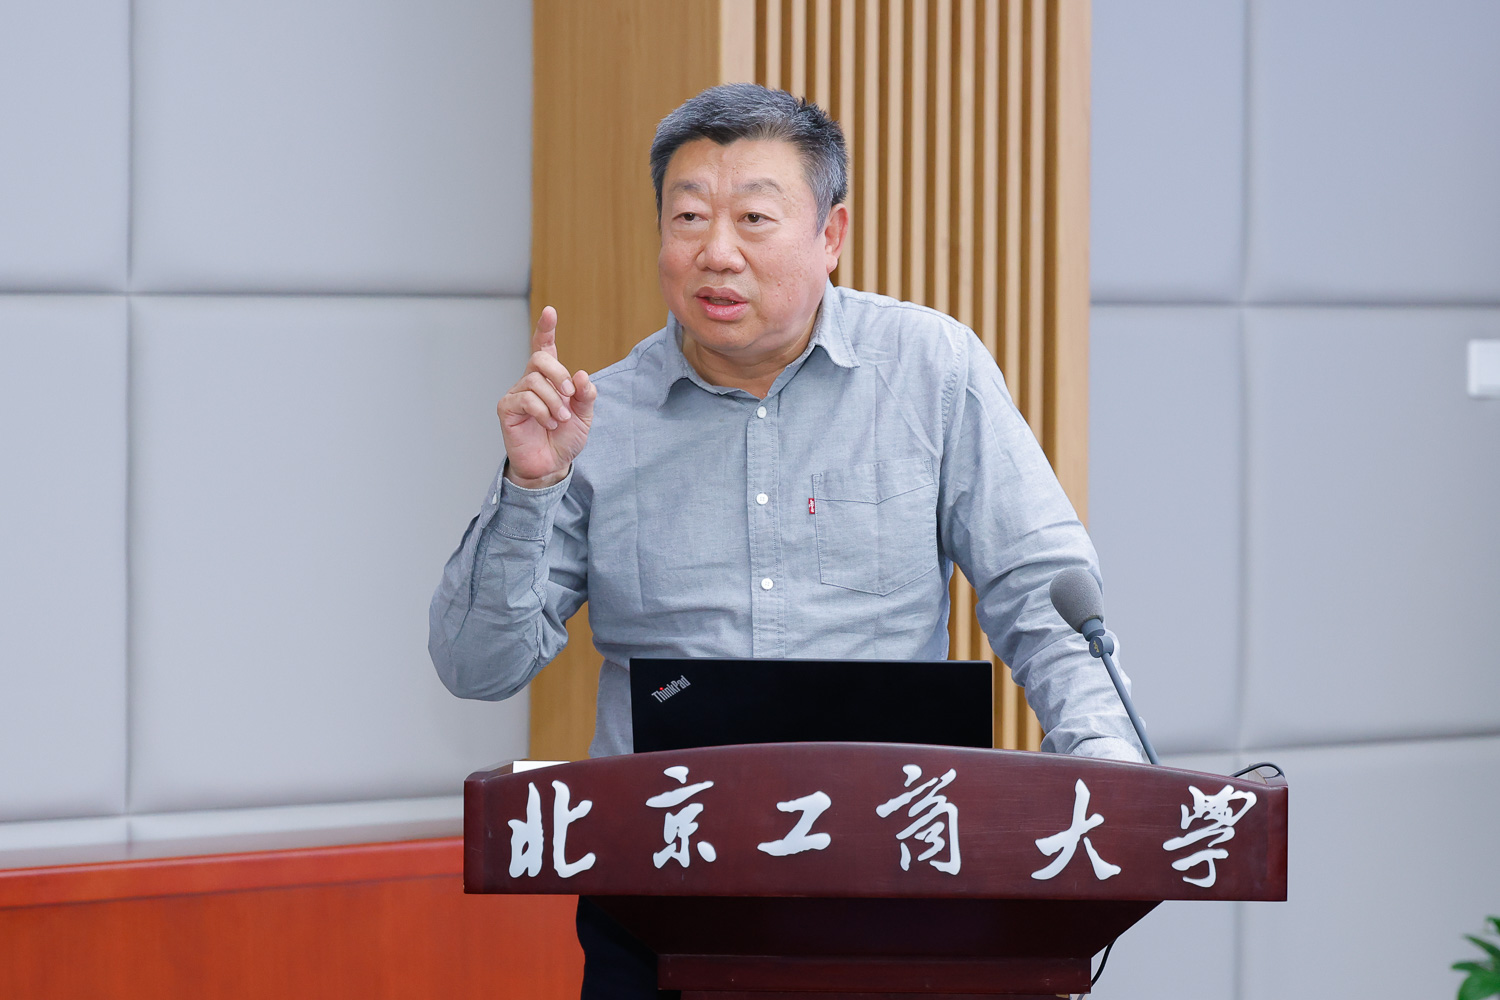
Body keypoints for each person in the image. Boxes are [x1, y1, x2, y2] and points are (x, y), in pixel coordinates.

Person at [429, 83, 1143, 1000]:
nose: (716, 252)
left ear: (830, 234)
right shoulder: (597, 420)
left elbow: (1045, 598)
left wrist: (1110, 776)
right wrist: (532, 485)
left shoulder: (929, 370)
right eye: (688, 217)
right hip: (663, 900)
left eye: (754, 219)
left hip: (896, 881)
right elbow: (476, 667)